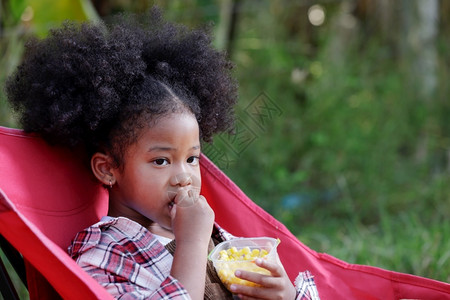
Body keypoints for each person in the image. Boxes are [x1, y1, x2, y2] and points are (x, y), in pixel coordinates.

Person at [6, 8, 320, 300]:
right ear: (107, 169)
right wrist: (192, 243)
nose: (184, 176)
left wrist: (287, 294)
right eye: (161, 161)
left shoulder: (207, 231)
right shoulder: (106, 254)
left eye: (192, 158)